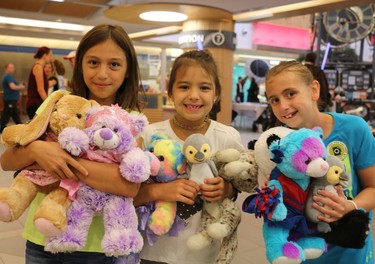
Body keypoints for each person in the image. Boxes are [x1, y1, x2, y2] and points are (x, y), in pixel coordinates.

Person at [0, 24, 146, 264]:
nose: (102, 74)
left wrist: (59, 159)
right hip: (42, 239)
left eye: (114, 64)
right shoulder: (59, 104)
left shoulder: (129, 120)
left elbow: (127, 186)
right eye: (93, 62)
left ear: (128, 70)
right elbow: (6, 161)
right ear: (79, 65)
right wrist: (37, 149)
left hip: (99, 250)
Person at [135, 49, 244, 264]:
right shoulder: (149, 135)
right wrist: (158, 190)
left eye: (204, 88)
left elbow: (239, 184)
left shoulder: (227, 137)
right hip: (153, 251)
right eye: (184, 86)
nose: (194, 95)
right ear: (170, 92)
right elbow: (129, 194)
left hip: (203, 253)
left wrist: (226, 188)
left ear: (216, 94)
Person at [265, 60, 375, 263]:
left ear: (314, 90)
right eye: (274, 100)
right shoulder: (277, 147)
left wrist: (350, 205)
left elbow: (373, 187)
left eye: (290, 94)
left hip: (350, 255)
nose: (283, 106)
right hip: (301, 253)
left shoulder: (353, 129)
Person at [26, 46, 52, 120]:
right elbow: (40, 89)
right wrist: (49, 104)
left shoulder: (39, 67)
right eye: (50, 55)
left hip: (37, 104)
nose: (51, 58)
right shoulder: (38, 67)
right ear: (45, 56)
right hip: (35, 104)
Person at [0, 63, 26, 132]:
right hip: (10, 99)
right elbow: (13, 87)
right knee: (7, 114)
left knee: (14, 114)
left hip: (11, 99)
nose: (12, 69)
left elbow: (14, 85)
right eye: (10, 67)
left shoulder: (9, 77)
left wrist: (20, 85)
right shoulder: (8, 76)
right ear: (6, 68)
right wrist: (21, 87)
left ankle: (21, 126)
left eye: (13, 67)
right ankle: (2, 127)